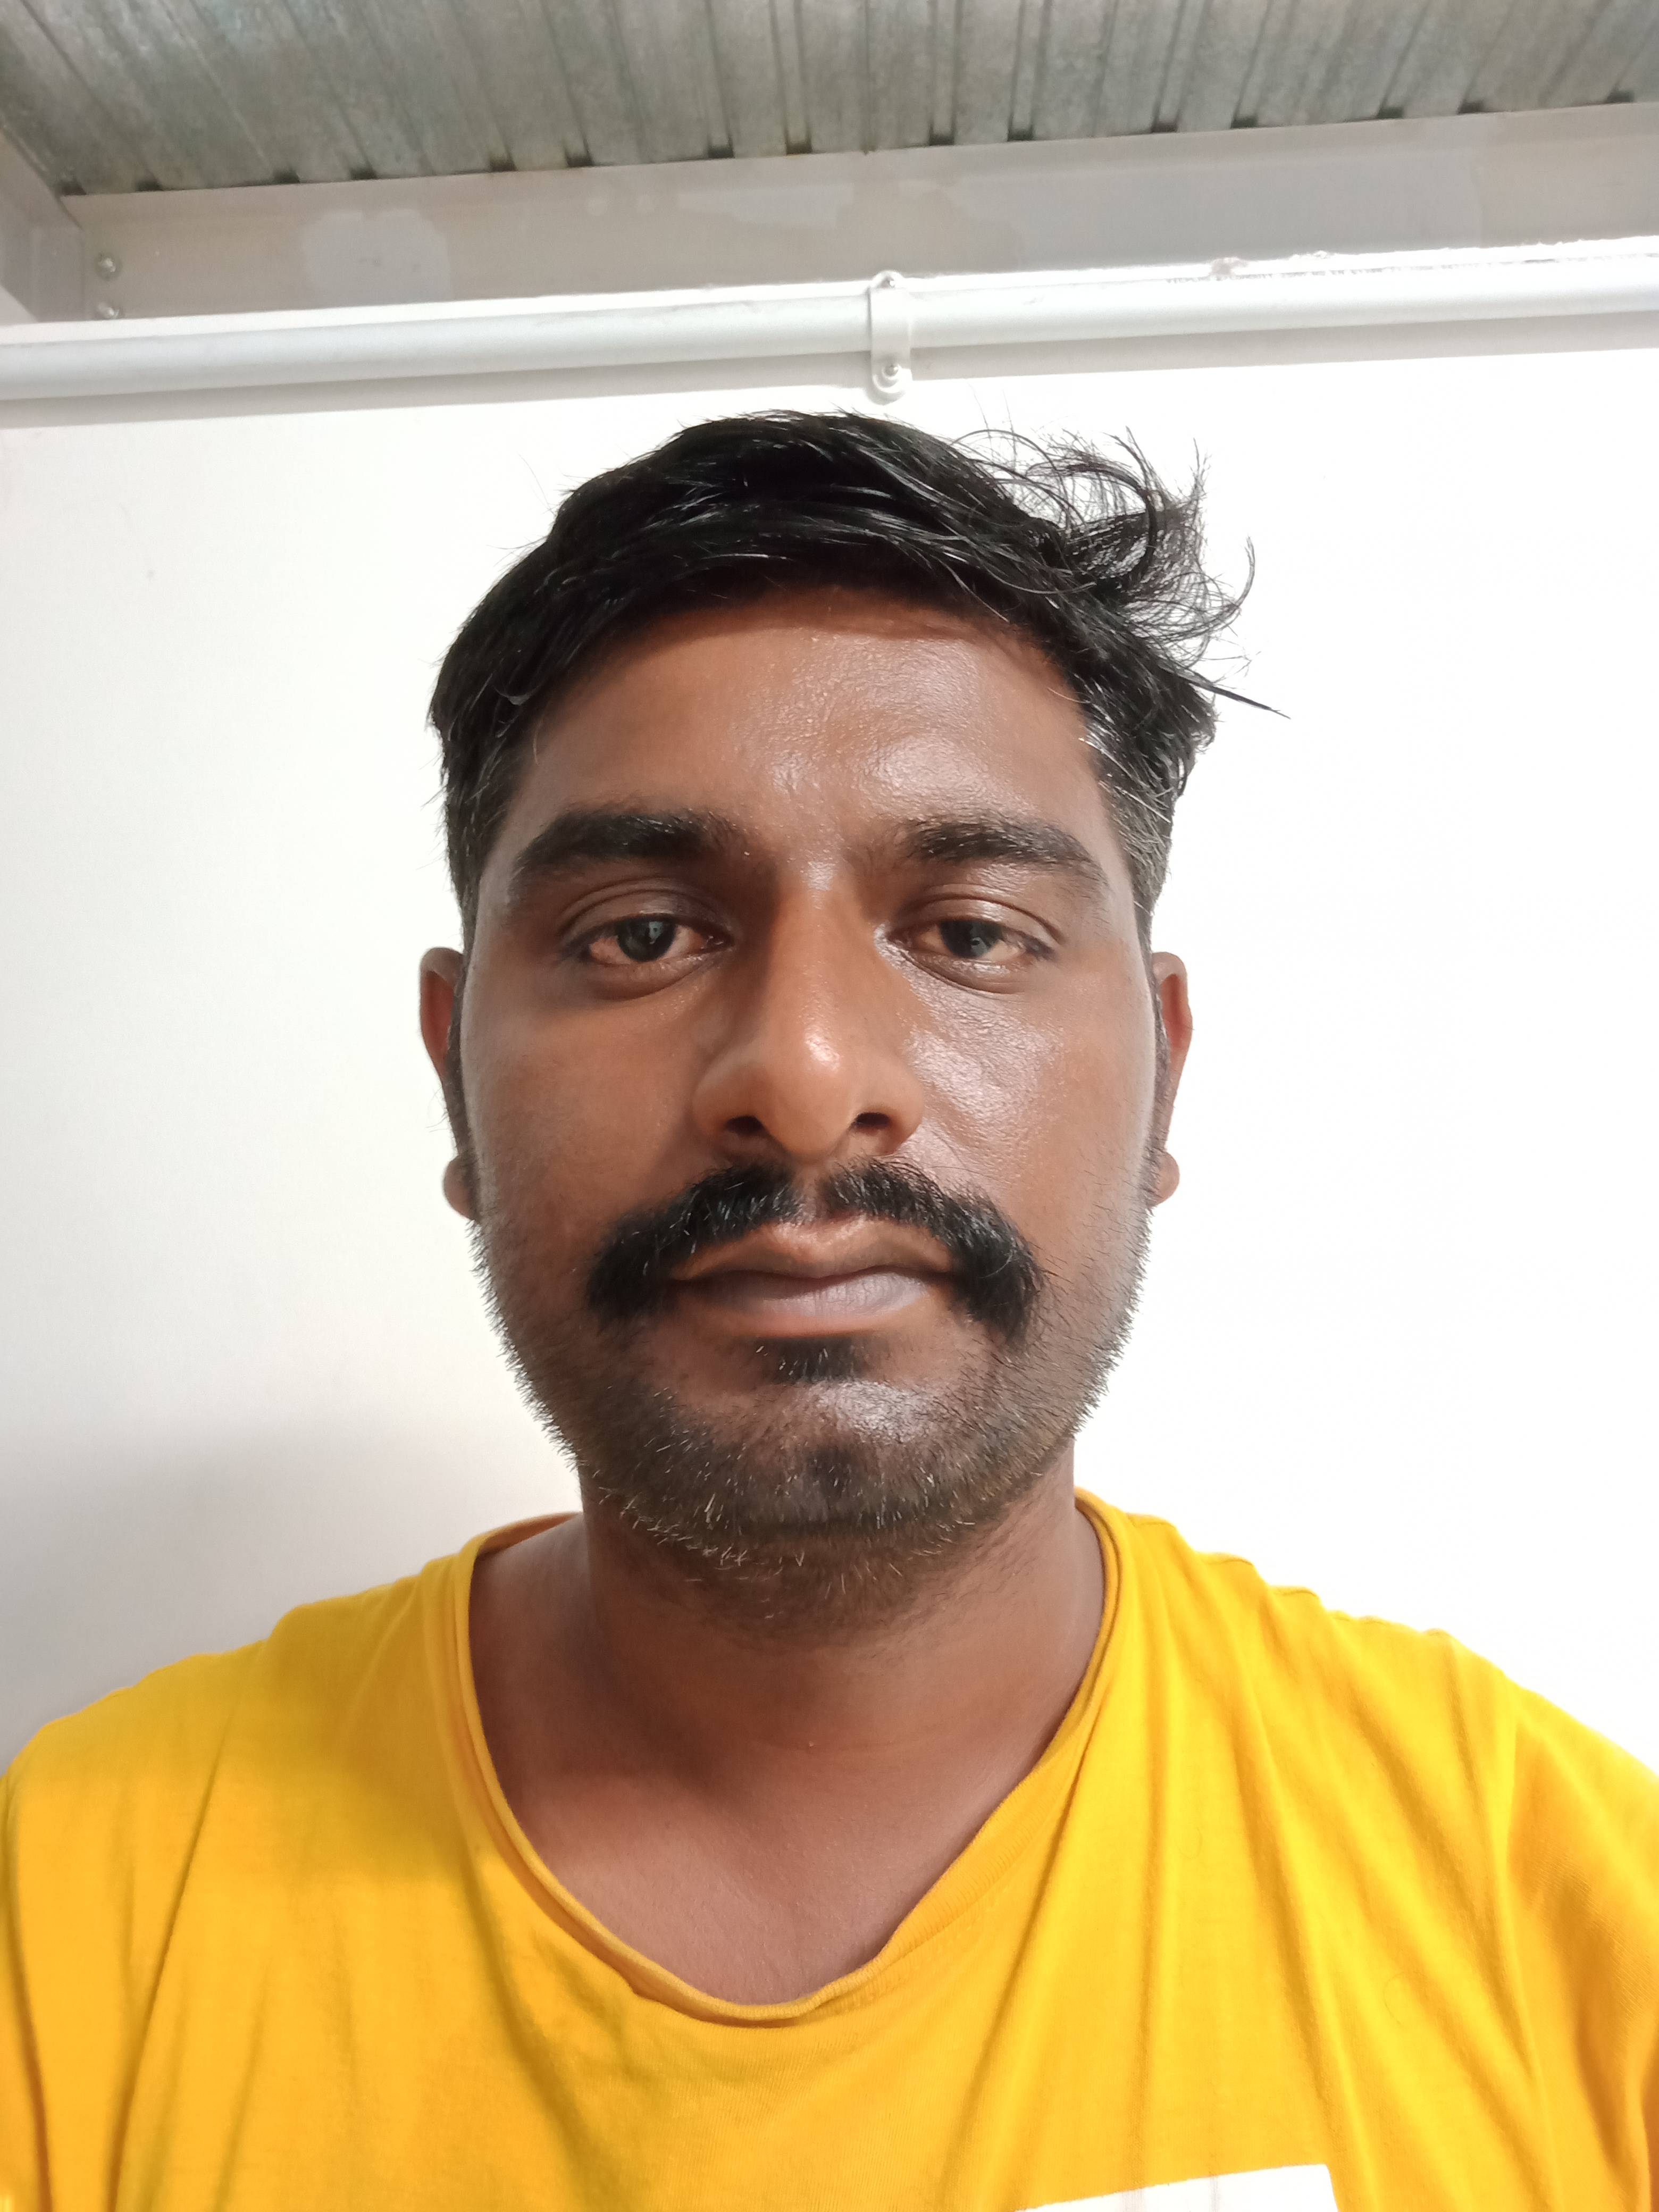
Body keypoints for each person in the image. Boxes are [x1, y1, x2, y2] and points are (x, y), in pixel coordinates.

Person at [1, 411, 1653, 2212]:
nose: (802, 1081)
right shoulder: (71, 1926)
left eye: (970, 932)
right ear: (453, 1076)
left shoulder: (1571, 1920)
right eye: (643, 933)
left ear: (1165, 1077)